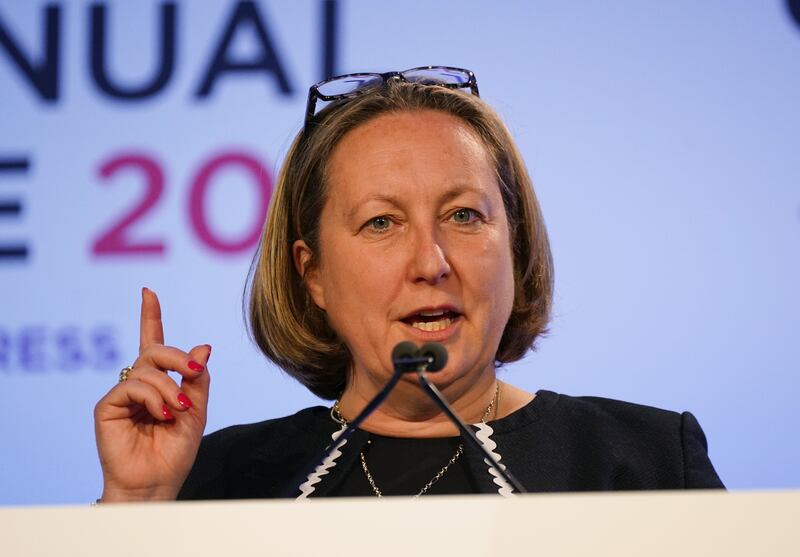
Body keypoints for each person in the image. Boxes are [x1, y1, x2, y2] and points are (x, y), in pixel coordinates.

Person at [93, 67, 724, 502]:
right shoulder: (222, 480)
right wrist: (136, 506)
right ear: (312, 274)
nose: (431, 261)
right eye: (381, 223)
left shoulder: (649, 462)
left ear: (516, 244)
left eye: (463, 216)